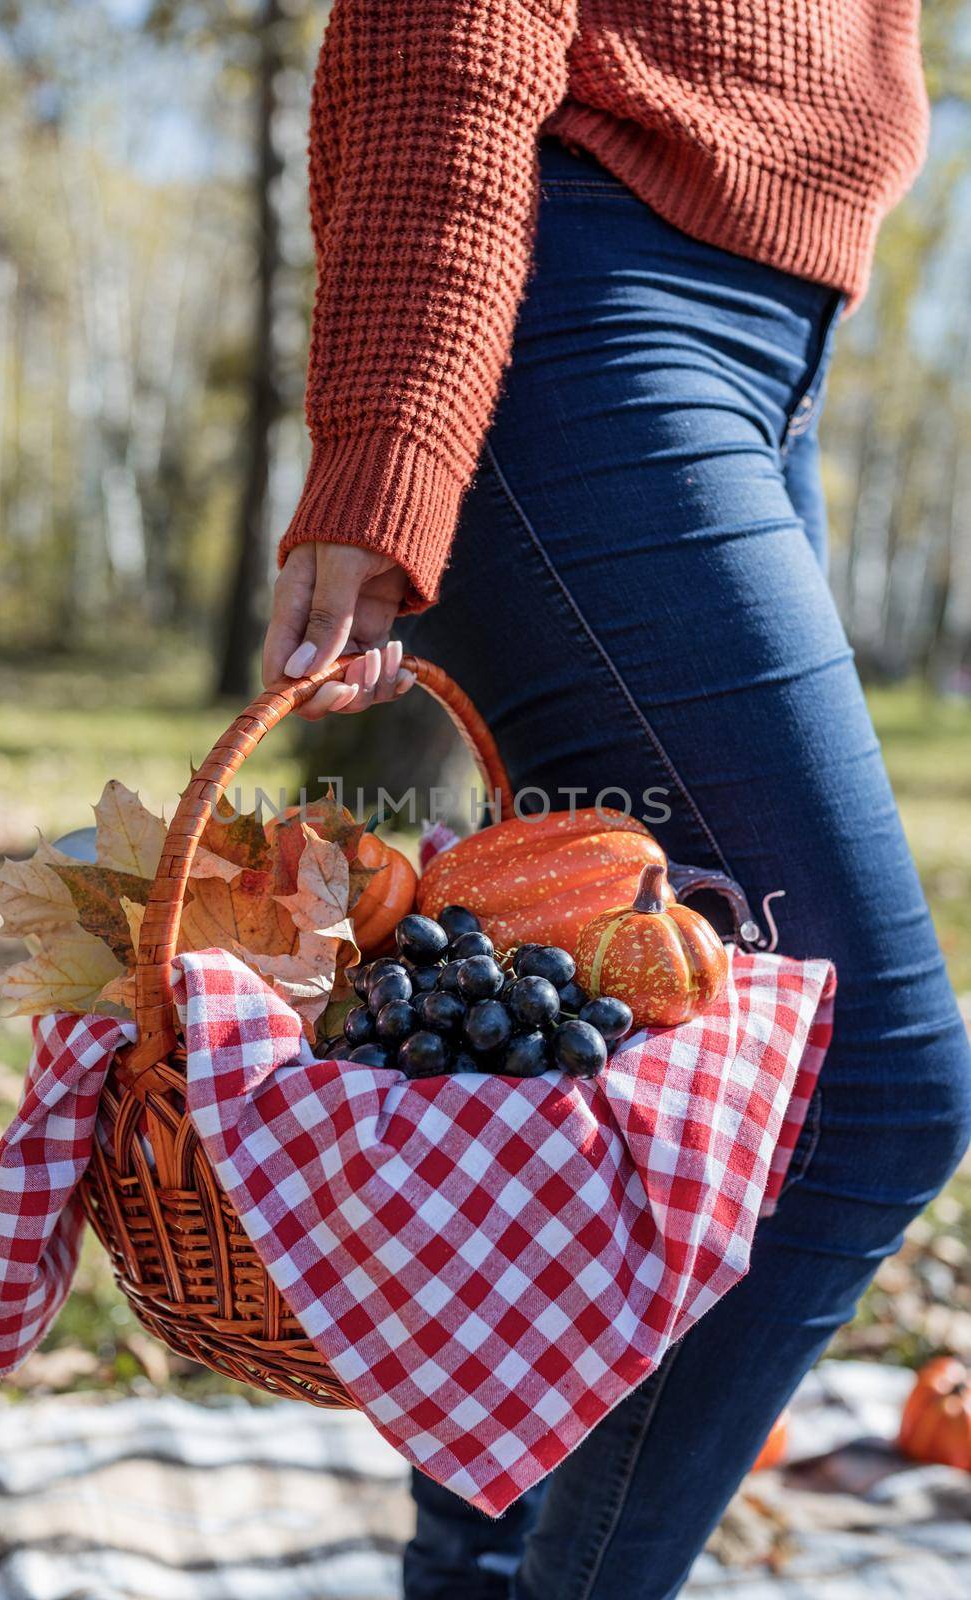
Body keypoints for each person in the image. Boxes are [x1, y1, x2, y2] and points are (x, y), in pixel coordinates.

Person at [261, 5, 971, 1596]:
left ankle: (471, 1573)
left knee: (618, 1058)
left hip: (759, 346)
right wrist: (387, 437)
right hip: (580, 318)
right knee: (872, 1083)